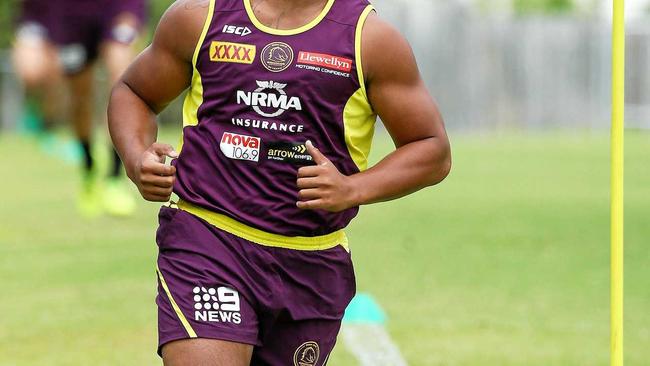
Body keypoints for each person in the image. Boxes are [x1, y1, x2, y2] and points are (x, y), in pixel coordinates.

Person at [108, 0, 451, 364]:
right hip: (207, 241)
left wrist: (353, 188)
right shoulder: (199, 17)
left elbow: (431, 149)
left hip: (309, 263)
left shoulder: (369, 40)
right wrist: (136, 157)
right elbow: (134, 92)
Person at [12, 0, 147, 217]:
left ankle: (114, 177)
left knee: (121, 77)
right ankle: (89, 167)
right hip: (72, 16)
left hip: (116, 7)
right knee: (81, 98)